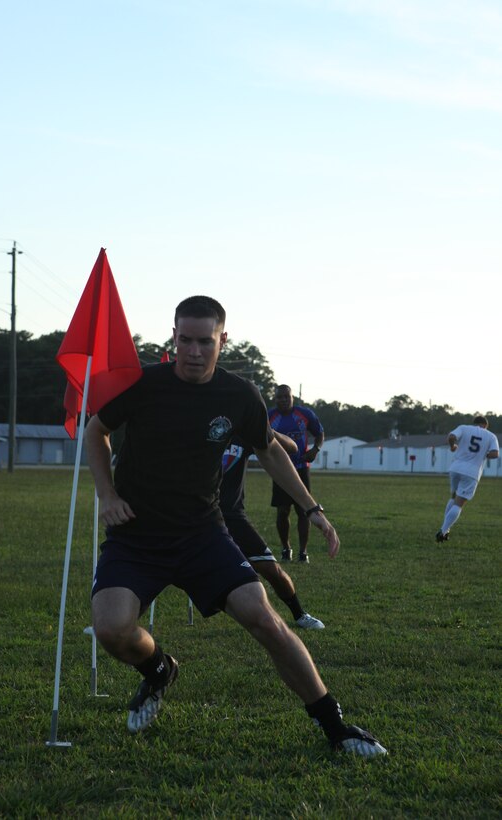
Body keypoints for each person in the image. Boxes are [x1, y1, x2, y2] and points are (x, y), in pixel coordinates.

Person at [85, 295, 387, 757]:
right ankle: (159, 671)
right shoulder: (143, 384)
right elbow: (96, 430)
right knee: (110, 630)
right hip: (136, 535)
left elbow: (269, 450)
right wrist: (107, 495)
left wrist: (311, 509)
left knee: (265, 620)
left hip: (202, 534)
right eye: (184, 340)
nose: (193, 351)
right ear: (173, 337)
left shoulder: (240, 395)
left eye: (205, 341)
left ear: (223, 340)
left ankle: (337, 727)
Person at [221, 432, 325, 629]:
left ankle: (300, 614)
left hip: (232, 517)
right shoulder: (196, 427)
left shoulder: (241, 434)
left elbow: (291, 447)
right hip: (199, 515)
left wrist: (264, 427)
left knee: (271, 568)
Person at [268, 384, 324, 563]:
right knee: (283, 511)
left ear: (292, 397)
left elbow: (319, 433)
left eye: (287, 397)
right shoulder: (270, 417)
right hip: (280, 469)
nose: (283, 400)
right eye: (280, 397)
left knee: (303, 510)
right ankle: (286, 549)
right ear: (275, 399)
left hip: (301, 468)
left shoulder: (304, 414)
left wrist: (316, 449)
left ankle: (303, 552)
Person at [435, 416, 499, 542]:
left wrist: (453, 446)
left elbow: (451, 437)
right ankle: (443, 531)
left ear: (474, 423)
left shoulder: (464, 428)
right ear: (485, 425)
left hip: (456, 468)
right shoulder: (491, 436)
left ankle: (446, 529)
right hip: (471, 472)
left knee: (453, 497)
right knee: (459, 503)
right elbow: (495, 454)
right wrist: (483, 454)